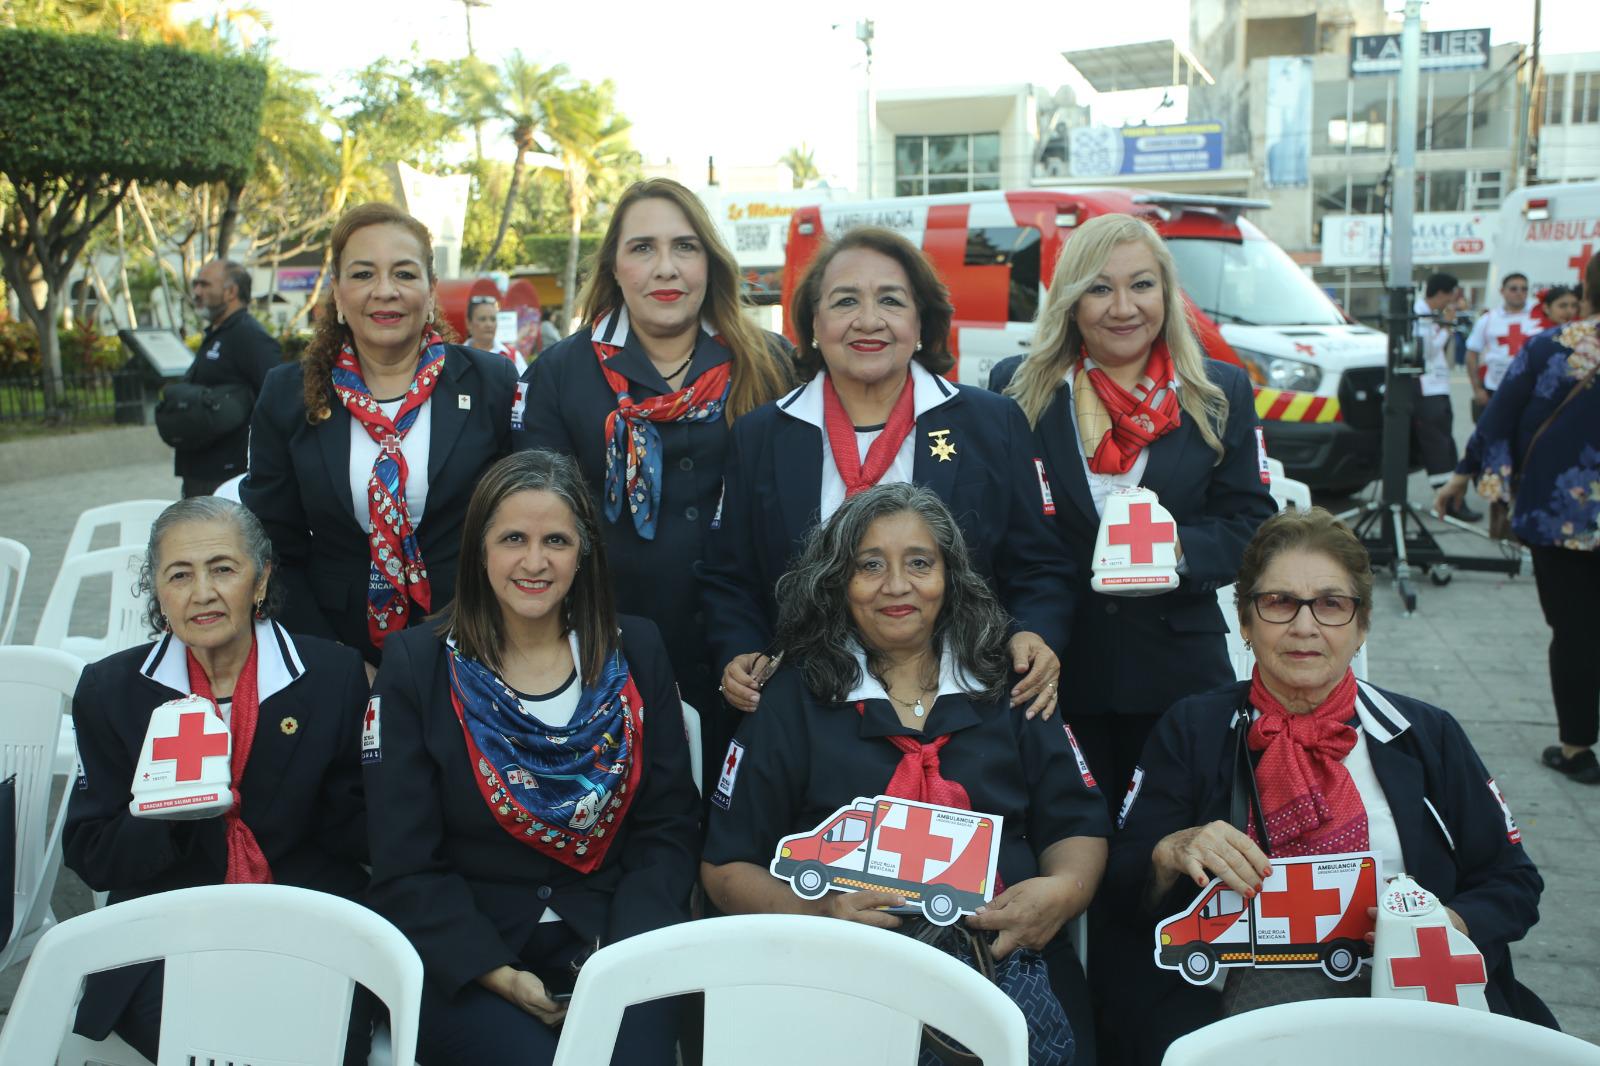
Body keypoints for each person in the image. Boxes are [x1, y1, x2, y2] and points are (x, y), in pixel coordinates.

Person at [1102, 508, 1555, 1064]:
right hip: (1230, 1014)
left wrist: (1446, 926)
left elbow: (1512, 883)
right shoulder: (1192, 729)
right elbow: (1121, 886)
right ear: (1244, 622)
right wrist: (1171, 851)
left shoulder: (1424, 734)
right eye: (1279, 602)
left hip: (1407, 1001)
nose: (1304, 626)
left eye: (1331, 604)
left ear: (1361, 626)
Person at [702, 483, 1109, 1064]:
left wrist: (1061, 893)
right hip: (836, 975)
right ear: (837, 581)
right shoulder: (790, 697)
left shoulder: (1010, 680)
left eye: (919, 563)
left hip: (1012, 958)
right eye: (870, 565)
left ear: (950, 575)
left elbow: (1078, 824)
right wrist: (816, 915)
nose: (896, 585)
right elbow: (724, 866)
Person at [365, 449, 699, 1065]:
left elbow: (669, 826)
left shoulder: (636, 648)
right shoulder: (417, 665)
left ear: (584, 552)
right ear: (480, 550)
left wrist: (618, 958)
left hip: (617, 943)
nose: (535, 562)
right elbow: (404, 862)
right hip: (471, 957)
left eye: (557, 541)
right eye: (513, 539)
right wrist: (496, 973)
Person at [701, 226, 1070, 751]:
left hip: (963, 711)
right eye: (845, 301)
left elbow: (1041, 565)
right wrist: (737, 650)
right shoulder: (760, 435)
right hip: (806, 714)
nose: (868, 320)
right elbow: (728, 577)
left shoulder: (993, 424)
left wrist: (1033, 632)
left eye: (891, 300)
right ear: (813, 323)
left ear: (921, 322)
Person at [63, 497, 371, 1062]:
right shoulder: (111, 690)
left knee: (315, 1038)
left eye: (223, 569)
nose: (202, 592)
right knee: (208, 1039)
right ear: (157, 591)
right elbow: (92, 856)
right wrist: (162, 812)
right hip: (163, 933)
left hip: (305, 924)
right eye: (179, 575)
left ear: (261, 579)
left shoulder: (332, 674)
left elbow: (355, 828)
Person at [513, 177, 795, 763]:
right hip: (610, 660)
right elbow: (538, 522)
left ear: (709, 262)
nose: (666, 267)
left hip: (756, 657)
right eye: (642, 248)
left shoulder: (771, 362)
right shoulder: (560, 373)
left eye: (684, 247)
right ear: (614, 267)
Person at [1001, 212, 1276, 800]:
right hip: (1053, 673)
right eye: (1100, 288)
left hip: (1179, 674)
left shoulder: (1219, 391)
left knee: (1178, 840)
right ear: (1071, 301)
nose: (1123, 307)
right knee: (1071, 838)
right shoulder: (1018, 389)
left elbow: (1253, 524)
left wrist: (1176, 549)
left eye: (1141, 285)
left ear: (1166, 293)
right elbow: (1000, 528)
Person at [242, 203, 518, 672]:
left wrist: (474, 642)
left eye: (404, 274)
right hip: (338, 647)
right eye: (363, 274)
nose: (385, 291)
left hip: (477, 641)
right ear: (337, 292)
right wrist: (340, 664)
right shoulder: (288, 394)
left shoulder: (491, 384)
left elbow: (519, 527)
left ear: (430, 291)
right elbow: (272, 545)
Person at [1436, 253, 1600, 785]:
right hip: (1564, 518)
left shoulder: (1551, 347)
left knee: (1574, 630)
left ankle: (1577, 748)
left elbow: (1498, 416)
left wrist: (1462, 475)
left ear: (1587, 288)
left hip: (1561, 518)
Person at [175, 260, 282, 497]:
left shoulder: (249, 336)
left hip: (227, 475)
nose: (197, 292)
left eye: (205, 284)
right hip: (200, 469)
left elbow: (278, 400)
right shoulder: (218, 332)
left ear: (231, 291)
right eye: (196, 284)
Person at [1412, 272, 1478, 520]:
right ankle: (1448, 503)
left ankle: (1454, 499)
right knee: (1439, 446)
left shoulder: (1427, 314)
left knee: (1447, 445)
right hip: (1427, 390)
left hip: (1437, 387)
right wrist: (1447, 327)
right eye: (1451, 296)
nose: (1451, 302)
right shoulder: (1419, 314)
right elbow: (1426, 351)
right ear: (1441, 293)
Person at [1466, 272, 1537, 421]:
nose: (1519, 293)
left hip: (1531, 390)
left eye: (1524, 289)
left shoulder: (1537, 317)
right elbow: (1472, 353)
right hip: (1496, 389)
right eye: (1513, 288)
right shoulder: (1488, 319)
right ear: (1502, 291)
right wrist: (1477, 389)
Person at [466, 293, 528, 376]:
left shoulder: (513, 356)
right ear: (469, 323)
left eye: (493, 319)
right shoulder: (459, 356)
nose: (489, 324)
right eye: (482, 319)